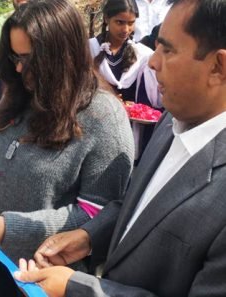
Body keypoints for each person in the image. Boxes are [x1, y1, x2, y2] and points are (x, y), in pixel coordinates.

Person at [15, 1, 226, 296]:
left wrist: (76, 289)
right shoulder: (171, 122)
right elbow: (140, 205)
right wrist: (89, 237)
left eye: (167, 50)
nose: (152, 63)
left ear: (218, 66)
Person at [0, 0, 135, 296]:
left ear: (63, 56)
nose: (20, 67)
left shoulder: (103, 118)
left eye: (28, 58)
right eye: (14, 57)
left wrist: (10, 227)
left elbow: (98, 212)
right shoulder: (21, 93)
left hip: (51, 277)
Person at [90, 0, 162, 161]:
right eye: (120, 22)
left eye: (131, 23)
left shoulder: (143, 54)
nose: (126, 29)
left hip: (128, 130)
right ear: (107, 19)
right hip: (94, 124)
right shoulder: (89, 49)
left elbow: (152, 96)